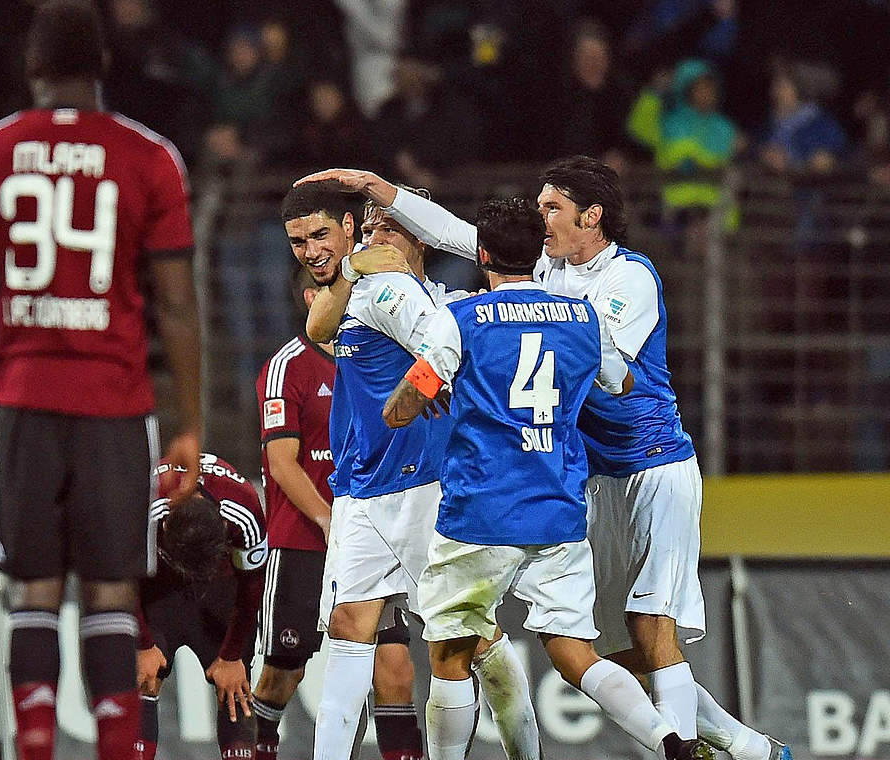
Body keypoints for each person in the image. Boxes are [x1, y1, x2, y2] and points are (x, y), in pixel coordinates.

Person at [297, 160, 791, 760]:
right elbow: (617, 377)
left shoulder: (605, 284)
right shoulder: (572, 303)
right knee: (591, 651)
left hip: (612, 473)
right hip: (570, 492)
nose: (544, 217)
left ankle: (695, 746)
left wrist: (415, 400)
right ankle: (712, 744)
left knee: (618, 634)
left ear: (593, 216)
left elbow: (425, 375)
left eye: (553, 206)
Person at [0, 3, 203, 760]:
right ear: (103, 67)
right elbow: (178, 304)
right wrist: (189, 420)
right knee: (113, 590)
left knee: (33, 590)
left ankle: (33, 747)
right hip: (116, 404)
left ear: (32, 67)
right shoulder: (150, 156)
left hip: (21, 400)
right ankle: (117, 750)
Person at [377, 196, 713, 760]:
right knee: (575, 652)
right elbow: (621, 382)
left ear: (481, 253)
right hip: (557, 506)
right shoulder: (581, 317)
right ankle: (668, 739)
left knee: (450, 654)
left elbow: (413, 395)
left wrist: (401, 406)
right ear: (536, 252)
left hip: (480, 511)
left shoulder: (462, 318)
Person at [279, 181, 506, 760]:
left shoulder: (401, 294)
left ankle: (523, 749)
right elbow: (317, 329)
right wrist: (353, 264)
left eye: (393, 225)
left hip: (421, 486)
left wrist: (421, 384)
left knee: (469, 640)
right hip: (360, 488)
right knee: (349, 625)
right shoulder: (358, 284)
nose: (308, 250)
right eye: (297, 241)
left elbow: (442, 345)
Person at [251, 268, 424, 760]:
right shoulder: (287, 365)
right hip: (304, 539)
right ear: (313, 298)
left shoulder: (372, 353)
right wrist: (330, 520)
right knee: (284, 671)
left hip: (372, 534)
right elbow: (282, 464)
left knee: (396, 671)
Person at [136, 454, 267, 760]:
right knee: (143, 678)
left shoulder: (243, 509)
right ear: (166, 526)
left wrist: (233, 656)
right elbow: (121, 581)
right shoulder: (142, 509)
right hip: (161, 588)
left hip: (219, 591)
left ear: (223, 525)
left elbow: (252, 587)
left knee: (235, 689)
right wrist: (143, 644)